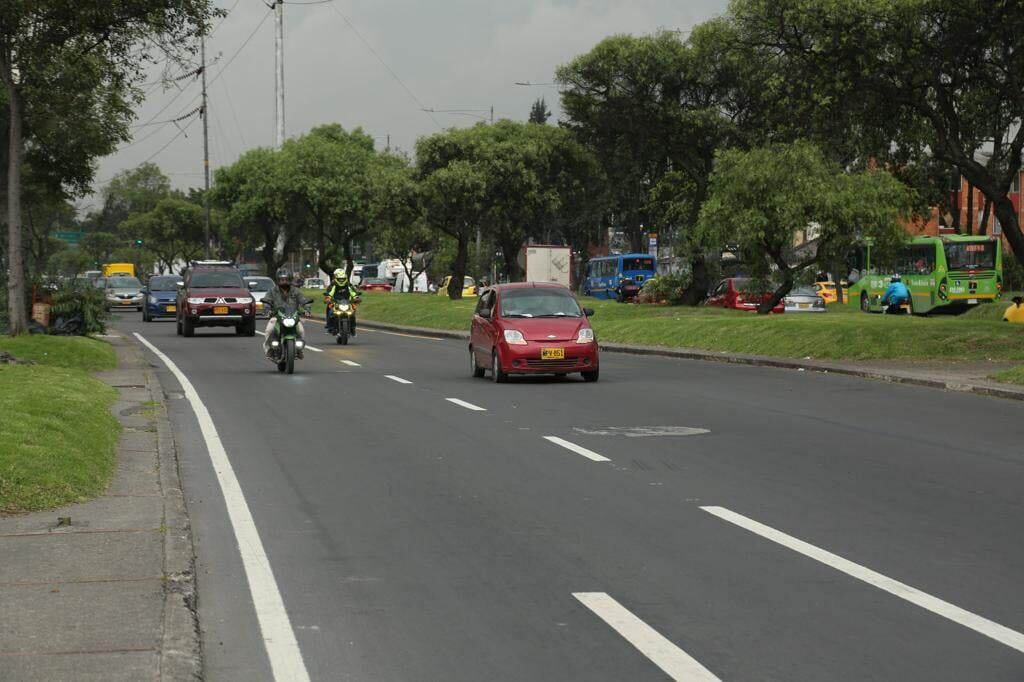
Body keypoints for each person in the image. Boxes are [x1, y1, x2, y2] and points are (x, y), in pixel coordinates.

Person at [263, 269, 310, 356]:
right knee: (269, 330)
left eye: (286, 279)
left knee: (301, 331)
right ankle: (269, 349)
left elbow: (303, 301)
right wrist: (267, 310)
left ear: (290, 280)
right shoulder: (272, 291)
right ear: (278, 280)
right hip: (276, 316)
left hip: (293, 316)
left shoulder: (296, 291)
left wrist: (307, 309)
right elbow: (267, 301)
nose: (284, 281)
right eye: (282, 279)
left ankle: (299, 350)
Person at [324, 268, 360, 335]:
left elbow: (353, 292)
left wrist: (356, 298)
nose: (341, 280)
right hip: (335, 303)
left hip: (347, 303)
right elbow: (329, 293)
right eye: (339, 279)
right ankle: (330, 327)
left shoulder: (348, 285)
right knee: (330, 312)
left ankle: (353, 328)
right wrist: (328, 298)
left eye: (342, 278)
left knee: (352, 314)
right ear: (335, 277)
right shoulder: (333, 285)